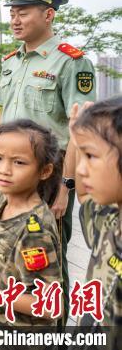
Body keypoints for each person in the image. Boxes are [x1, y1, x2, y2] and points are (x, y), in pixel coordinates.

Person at [0, 0, 97, 318]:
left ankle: (52, 332)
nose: (15, 19)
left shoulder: (71, 61)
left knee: (48, 265)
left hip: (48, 176)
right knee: (7, 255)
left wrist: (66, 188)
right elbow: (2, 119)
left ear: (48, 14)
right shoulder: (10, 61)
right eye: (12, 12)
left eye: (23, 12)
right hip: (7, 173)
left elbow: (79, 130)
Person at [0, 120, 63, 348]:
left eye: (18, 162)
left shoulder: (34, 231)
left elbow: (49, 305)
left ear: (45, 171)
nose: (4, 169)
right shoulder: (5, 198)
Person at [68, 98, 122, 350]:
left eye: (91, 155)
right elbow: (84, 197)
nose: (81, 169)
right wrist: (77, 142)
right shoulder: (110, 220)